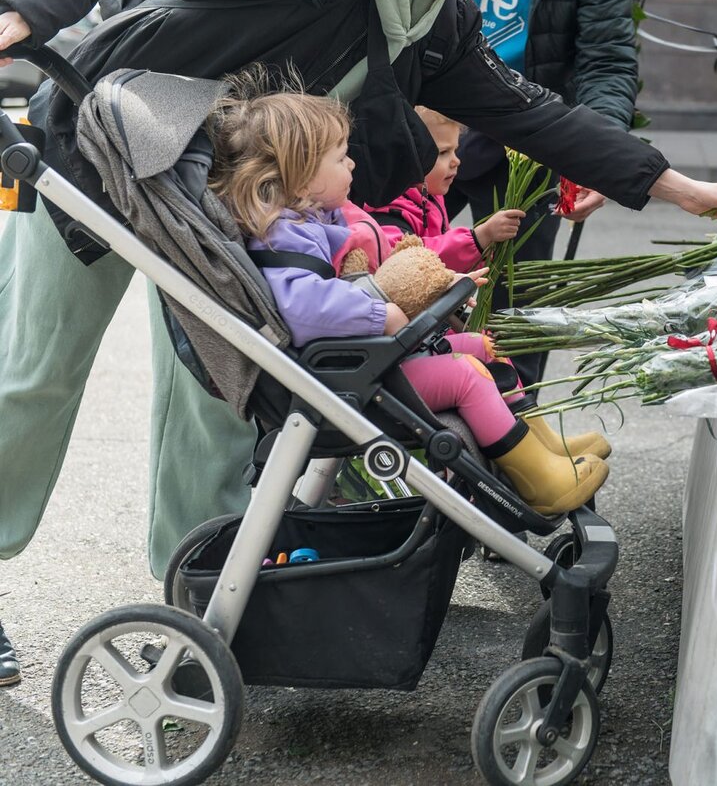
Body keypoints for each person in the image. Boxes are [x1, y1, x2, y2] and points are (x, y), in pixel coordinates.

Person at [0, 0, 717, 681]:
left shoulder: (438, 26)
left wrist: (677, 188)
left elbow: (541, 118)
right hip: (94, 158)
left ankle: (204, 616)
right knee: (33, 381)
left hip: (215, 228)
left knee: (216, 410)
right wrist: (35, 3)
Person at [209, 82, 609, 515]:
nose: (353, 164)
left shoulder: (311, 221)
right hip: (351, 377)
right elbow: (306, 309)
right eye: (341, 158)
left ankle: (540, 446)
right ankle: (538, 480)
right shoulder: (284, 236)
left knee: (484, 346)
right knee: (465, 373)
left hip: (365, 363)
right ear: (302, 175)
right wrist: (380, 313)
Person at [445, 0, 640, 387]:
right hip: (423, 128)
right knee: (387, 264)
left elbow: (605, 62)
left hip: (526, 139)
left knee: (516, 309)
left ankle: (516, 427)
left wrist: (597, 157)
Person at [365, 106, 526, 274]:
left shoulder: (429, 195)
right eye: (443, 152)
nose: (456, 161)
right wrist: (479, 238)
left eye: (455, 150)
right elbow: (406, 262)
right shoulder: (389, 210)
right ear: (404, 156)